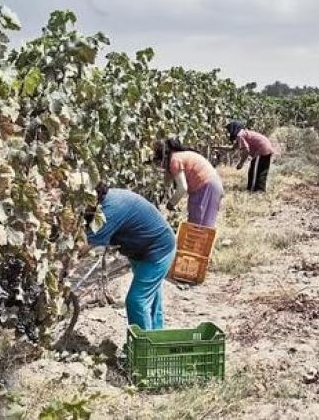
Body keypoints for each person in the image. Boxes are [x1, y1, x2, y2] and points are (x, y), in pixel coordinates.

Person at [79, 183, 176, 330]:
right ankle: (156, 337)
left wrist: (61, 264)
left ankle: (143, 348)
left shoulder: (108, 211)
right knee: (151, 297)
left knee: (136, 301)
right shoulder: (107, 199)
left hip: (158, 250)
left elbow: (84, 246)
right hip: (142, 249)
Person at [152, 138, 224, 227]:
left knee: (199, 226)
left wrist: (171, 204)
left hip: (206, 187)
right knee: (200, 223)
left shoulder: (174, 160)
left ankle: (199, 241)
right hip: (210, 185)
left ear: (163, 158)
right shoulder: (177, 157)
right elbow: (167, 182)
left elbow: (182, 188)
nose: (160, 166)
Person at [225, 121, 275, 192]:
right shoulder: (243, 134)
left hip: (261, 150)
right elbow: (232, 148)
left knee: (254, 172)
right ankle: (260, 191)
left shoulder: (240, 135)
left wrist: (241, 163)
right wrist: (215, 147)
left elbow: (246, 150)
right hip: (267, 148)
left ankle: (252, 191)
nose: (229, 132)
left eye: (229, 130)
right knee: (261, 172)